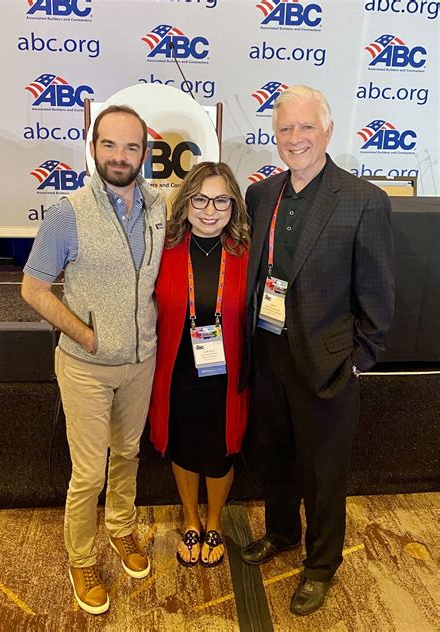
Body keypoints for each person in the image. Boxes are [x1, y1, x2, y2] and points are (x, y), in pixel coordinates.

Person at [240, 86, 395, 615]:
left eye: (306, 126)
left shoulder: (363, 200)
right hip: (267, 352)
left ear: (328, 131)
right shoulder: (261, 195)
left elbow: (378, 295)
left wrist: (357, 361)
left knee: (324, 472)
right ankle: (282, 532)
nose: (295, 138)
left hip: (328, 364)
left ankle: (321, 564)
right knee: (274, 454)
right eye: (285, 128)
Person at [21, 105, 167, 615]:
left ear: (145, 153)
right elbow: (33, 288)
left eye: (131, 147)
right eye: (110, 145)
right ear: (93, 148)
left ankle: (121, 528)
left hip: (141, 362)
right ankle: (81, 559)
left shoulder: (160, 207)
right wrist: (85, 334)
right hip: (85, 367)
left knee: (127, 454)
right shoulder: (68, 213)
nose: (120, 156)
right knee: (88, 474)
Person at [149, 162, 250, 568]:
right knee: (184, 447)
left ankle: (214, 522)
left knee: (220, 453)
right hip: (177, 372)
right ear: (186, 201)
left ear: (234, 205)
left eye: (221, 200)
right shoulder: (164, 248)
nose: (210, 210)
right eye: (201, 199)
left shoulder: (246, 253)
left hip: (227, 375)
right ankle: (191, 519)